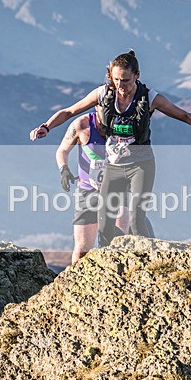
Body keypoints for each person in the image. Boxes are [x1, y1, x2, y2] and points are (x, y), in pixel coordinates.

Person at [31, 50, 191, 245]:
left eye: (126, 80)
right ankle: (124, 254)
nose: (120, 85)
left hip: (141, 165)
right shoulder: (103, 93)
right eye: (116, 79)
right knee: (104, 226)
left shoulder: (150, 98)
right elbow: (69, 111)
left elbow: (185, 115)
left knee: (136, 220)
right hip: (114, 167)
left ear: (137, 75)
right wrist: (46, 127)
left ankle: (152, 261)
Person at [56, 111, 154, 265]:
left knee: (117, 241)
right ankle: (76, 282)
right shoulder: (82, 124)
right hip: (88, 191)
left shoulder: (124, 125)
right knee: (81, 250)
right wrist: (64, 170)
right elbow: (62, 150)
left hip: (118, 189)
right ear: (96, 104)